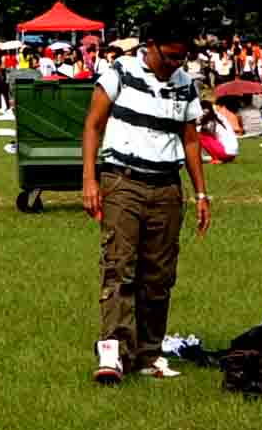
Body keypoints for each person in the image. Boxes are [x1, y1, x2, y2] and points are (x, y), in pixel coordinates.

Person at [84, 19, 211, 384]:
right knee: (119, 267)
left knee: (159, 275)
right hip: (123, 181)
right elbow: (93, 125)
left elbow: (190, 140)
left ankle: (149, 353)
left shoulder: (185, 84)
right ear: (150, 45)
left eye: (182, 57)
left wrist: (200, 192)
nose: (176, 63)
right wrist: (90, 179)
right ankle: (113, 353)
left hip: (167, 187)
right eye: (171, 56)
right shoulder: (119, 73)